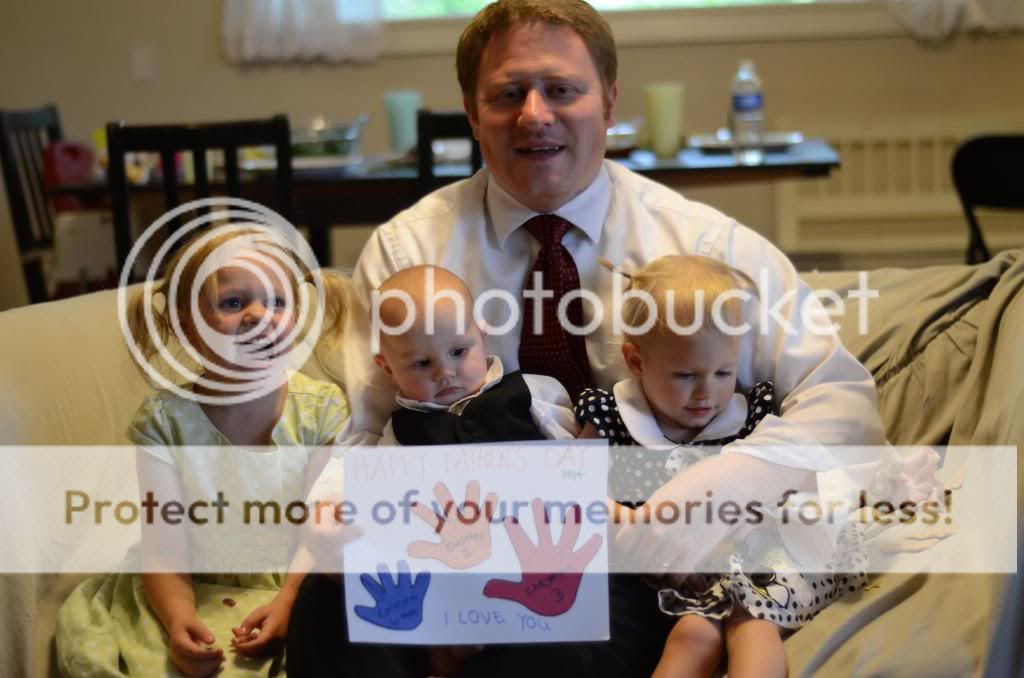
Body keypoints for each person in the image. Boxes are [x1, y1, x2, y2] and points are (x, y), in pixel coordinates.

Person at [289, 0, 885, 675]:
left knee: (556, 647)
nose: (534, 114)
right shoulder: (407, 254)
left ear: (608, 103)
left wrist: (724, 485)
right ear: (472, 114)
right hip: (442, 535)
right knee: (330, 613)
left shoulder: (707, 247)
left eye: (562, 89)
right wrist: (335, 511)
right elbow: (364, 429)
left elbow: (842, 400)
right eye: (507, 94)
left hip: (620, 555)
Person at [56, 226, 353, 677]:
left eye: (277, 301)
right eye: (233, 303)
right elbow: (163, 550)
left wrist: (288, 601)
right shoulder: (165, 422)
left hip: (298, 580)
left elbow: (319, 535)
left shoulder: (322, 411)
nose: (259, 316)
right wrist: (179, 619)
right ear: (186, 326)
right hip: (187, 586)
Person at [575, 254, 868, 678]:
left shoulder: (752, 416)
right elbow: (576, 491)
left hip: (753, 560)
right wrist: (635, 523)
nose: (706, 393)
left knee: (751, 625)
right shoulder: (610, 416)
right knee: (693, 636)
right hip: (663, 573)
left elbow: (797, 482)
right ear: (637, 362)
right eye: (685, 376)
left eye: (723, 372)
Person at [373, 264, 579, 445]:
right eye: (422, 363)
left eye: (458, 352)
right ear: (389, 370)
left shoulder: (531, 394)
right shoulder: (400, 433)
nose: (445, 373)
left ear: (481, 337)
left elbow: (576, 456)